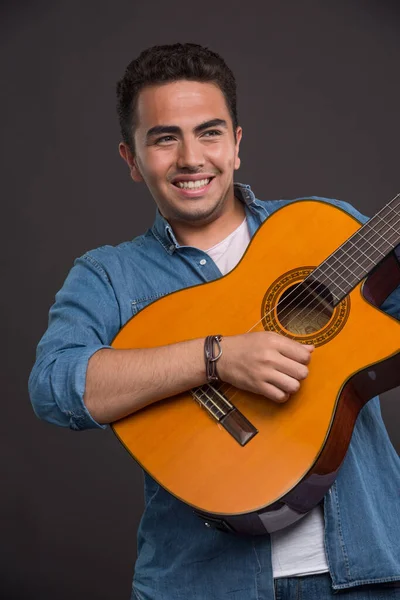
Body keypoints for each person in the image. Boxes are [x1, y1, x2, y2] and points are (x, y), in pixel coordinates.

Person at [29, 42, 400, 600]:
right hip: (199, 584)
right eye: (163, 138)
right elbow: (55, 387)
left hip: (369, 572)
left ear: (236, 144)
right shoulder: (109, 275)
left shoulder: (322, 230)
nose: (190, 158)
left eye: (209, 132)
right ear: (131, 159)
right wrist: (216, 357)